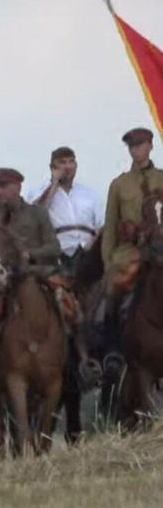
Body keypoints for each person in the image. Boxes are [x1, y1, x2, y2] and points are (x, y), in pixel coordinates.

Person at [0, 168, 63, 356]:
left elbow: (54, 247)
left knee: (67, 305)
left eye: (4, 186)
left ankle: (81, 356)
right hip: (4, 278)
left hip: (39, 273)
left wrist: (30, 254)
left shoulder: (37, 213)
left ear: (18, 187)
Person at [99, 127, 163, 362]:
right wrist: (108, 262)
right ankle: (112, 347)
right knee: (113, 289)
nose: (136, 150)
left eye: (140, 144)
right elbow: (110, 226)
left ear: (150, 146)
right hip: (130, 252)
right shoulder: (119, 184)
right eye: (132, 146)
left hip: (161, 249)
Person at [26, 146, 104, 272]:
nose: (67, 167)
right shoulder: (38, 192)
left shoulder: (90, 194)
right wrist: (54, 183)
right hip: (58, 253)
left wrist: (92, 246)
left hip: (88, 251)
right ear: (53, 168)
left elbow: (102, 225)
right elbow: (36, 216)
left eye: (71, 162)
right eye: (62, 163)